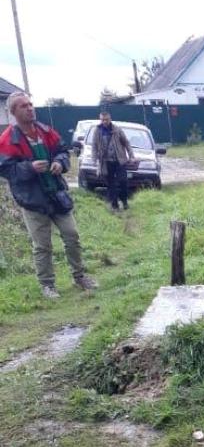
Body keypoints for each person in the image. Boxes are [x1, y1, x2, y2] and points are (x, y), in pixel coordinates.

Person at [0, 92, 97, 299]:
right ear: (13, 112)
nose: (30, 108)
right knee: (42, 245)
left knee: (72, 235)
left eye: (30, 104)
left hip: (56, 194)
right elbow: (6, 170)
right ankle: (47, 285)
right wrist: (30, 168)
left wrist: (60, 163)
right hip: (32, 200)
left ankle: (79, 277)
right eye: (24, 106)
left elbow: (63, 151)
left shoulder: (45, 131)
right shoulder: (7, 139)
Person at [91, 111, 133, 211]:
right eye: (102, 120)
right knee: (111, 184)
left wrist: (131, 155)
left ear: (110, 119)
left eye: (106, 119)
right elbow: (94, 146)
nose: (104, 122)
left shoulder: (117, 129)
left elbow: (126, 143)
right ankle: (115, 205)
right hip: (106, 162)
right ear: (100, 120)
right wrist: (94, 160)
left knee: (123, 181)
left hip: (120, 161)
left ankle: (124, 201)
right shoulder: (97, 131)